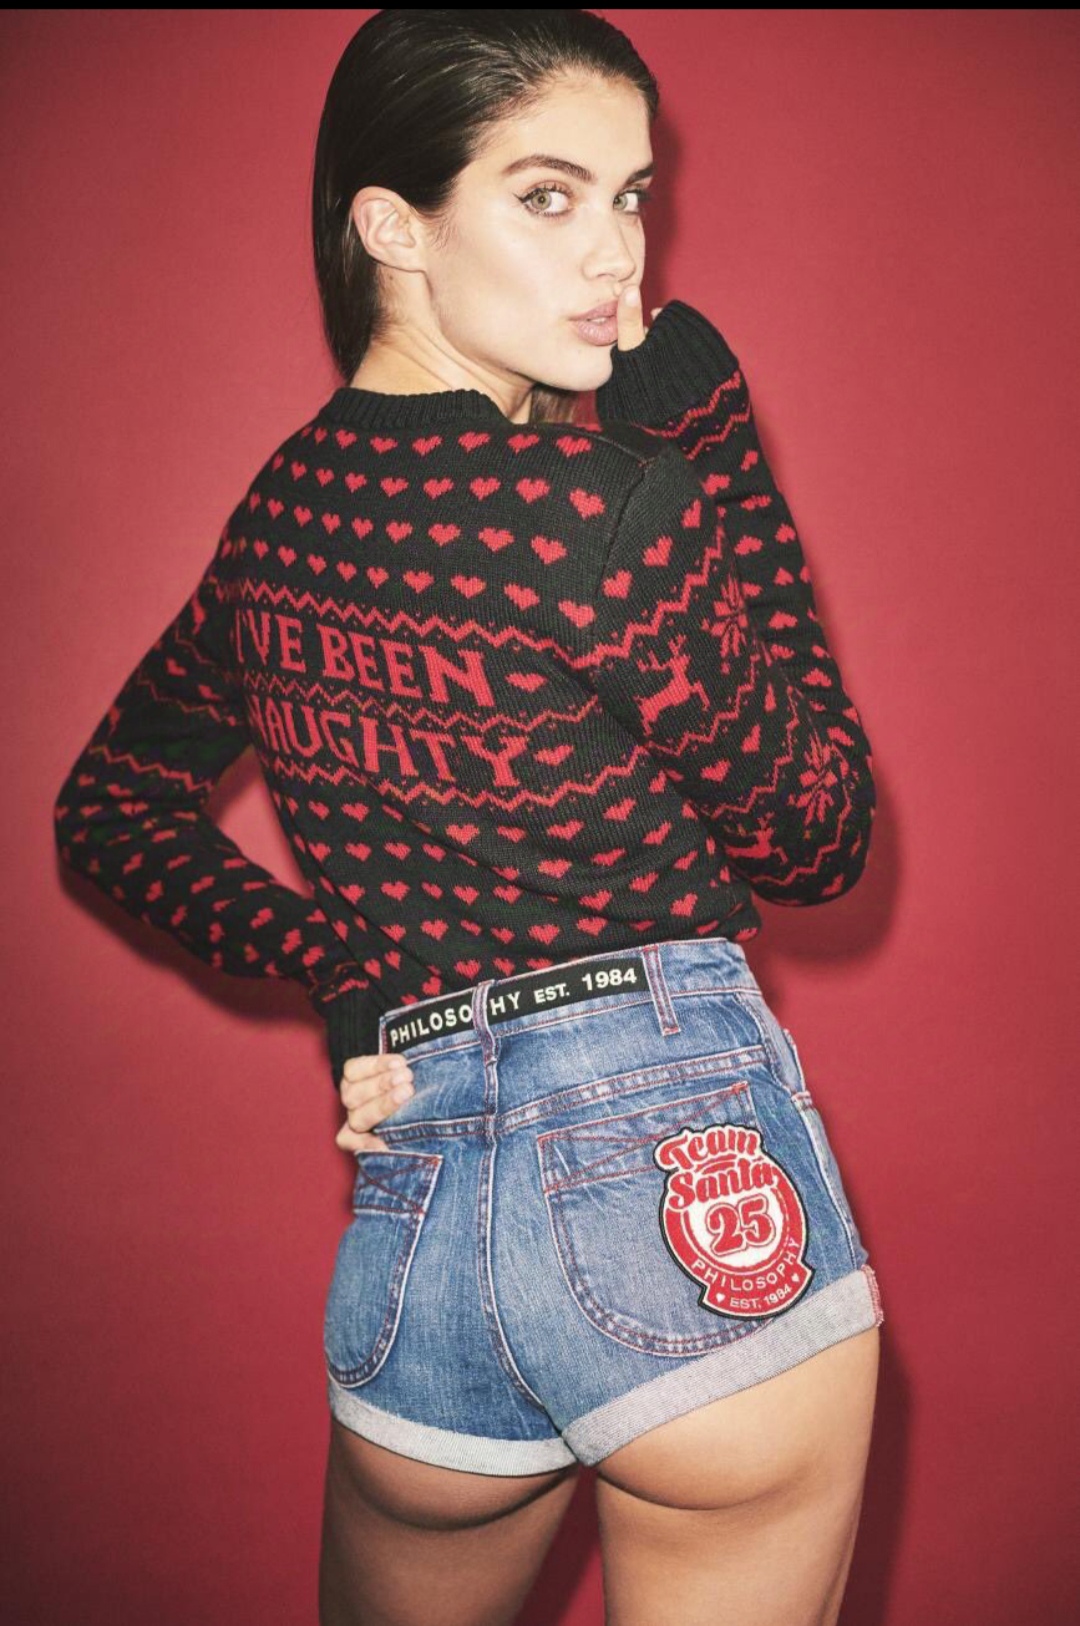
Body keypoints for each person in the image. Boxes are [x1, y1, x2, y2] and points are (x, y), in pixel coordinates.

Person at [54, 11, 884, 1625]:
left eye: (632, 197)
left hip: (421, 1203)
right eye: (547, 196)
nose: (616, 255)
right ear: (393, 225)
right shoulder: (609, 503)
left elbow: (109, 807)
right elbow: (821, 833)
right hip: (684, 1165)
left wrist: (337, 962)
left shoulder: (278, 522)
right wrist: (720, 455)